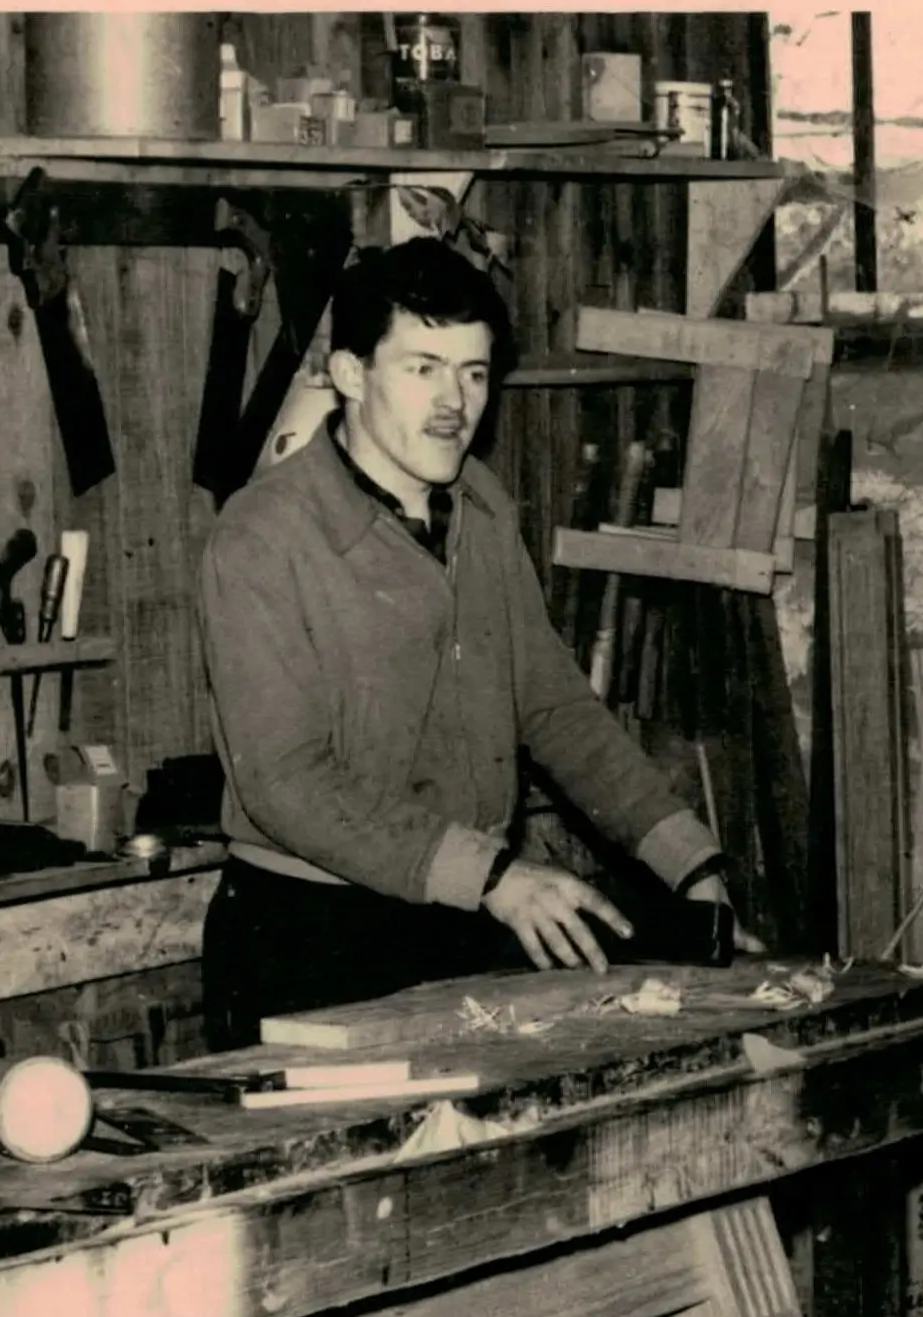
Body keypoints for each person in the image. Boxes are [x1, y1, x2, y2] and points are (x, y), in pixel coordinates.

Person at [196, 238, 740, 1051]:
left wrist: (689, 861)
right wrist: (492, 877)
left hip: (460, 913)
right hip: (311, 941)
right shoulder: (260, 538)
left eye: (474, 372)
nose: (454, 402)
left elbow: (556, 710)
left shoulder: (480, 509)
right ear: (349, 374)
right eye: (422, 368)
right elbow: (284, 782)